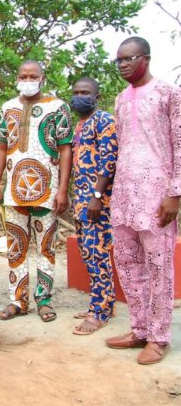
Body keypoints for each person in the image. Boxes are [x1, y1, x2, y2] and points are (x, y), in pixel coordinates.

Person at [105, 36, 180, 365]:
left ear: (145, 59)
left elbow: (179, 143)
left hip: (156, 195)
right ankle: (139, 329)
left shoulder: (168, 93)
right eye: (119, 60)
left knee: (159, 266)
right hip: (124, 195)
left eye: (129, 58)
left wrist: (175, 193)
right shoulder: (121, 99)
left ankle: (159, 337)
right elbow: (123, 145)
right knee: (127, 262)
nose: (122, 64)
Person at [0, 60, 73, 322]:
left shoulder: (58, 107)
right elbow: (0, 147)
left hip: (47, 191)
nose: (28, 81)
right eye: (23, 76)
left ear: (42, 78)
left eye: (33, 76)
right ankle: (18, 300)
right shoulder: (7, 108)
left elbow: (65, 148)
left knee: (46, 247)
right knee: (16, 247)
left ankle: (44, 300)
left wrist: (63, 189)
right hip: (14, 192)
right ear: (17, 78)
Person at [69, 77, 118, 335]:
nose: (79, 96)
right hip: (82, 201)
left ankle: (99, 312)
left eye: (85, 92)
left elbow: (109, 161)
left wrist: (97, 196)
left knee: (97, 253)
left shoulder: (104, 120)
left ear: (97, 97)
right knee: (88, 253)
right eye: (76, 92)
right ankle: (103, 303)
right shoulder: (80, 124)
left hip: (97, 202)